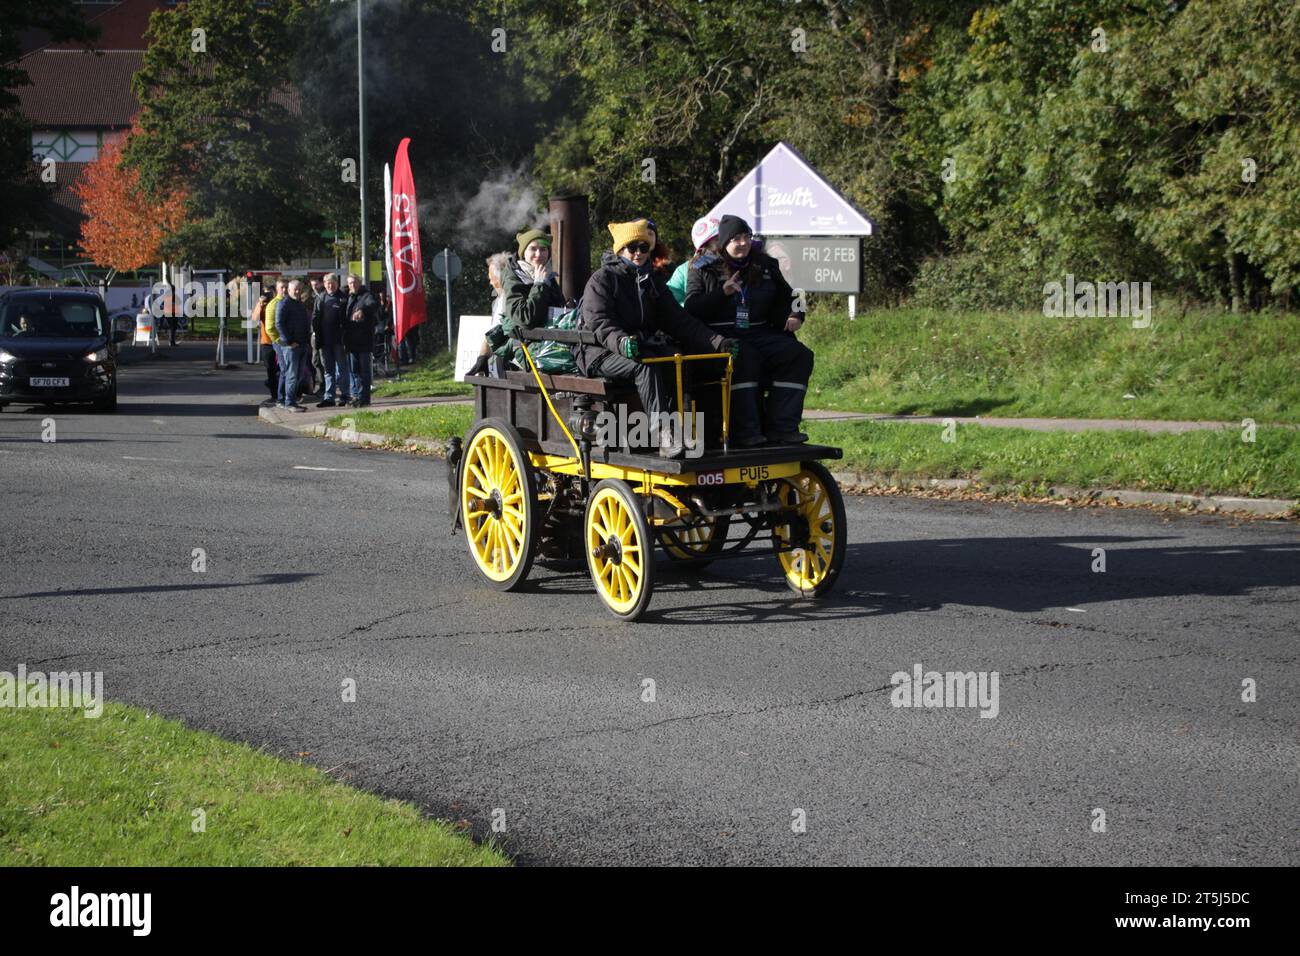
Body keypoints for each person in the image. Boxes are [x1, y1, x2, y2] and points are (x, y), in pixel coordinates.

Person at [578, 218, 740, 458]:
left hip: (639, 346)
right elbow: (601, 323)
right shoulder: (602, 280)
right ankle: (663, 435)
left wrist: (719, 342)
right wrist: (622, 342)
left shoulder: (651, 280)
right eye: (632, 248)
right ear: (620, 250)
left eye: (644, 248)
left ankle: (685, 431)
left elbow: (680, 321)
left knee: (676, 359)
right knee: (646, 366)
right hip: (598, 352)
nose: (638, 253)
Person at [684, 214, 812, 445]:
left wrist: (796, 314)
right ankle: (746, 432)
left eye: (746, 237)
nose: (743, 243)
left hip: (760, 333)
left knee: (799, 355)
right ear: (724, 243)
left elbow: (795, 295)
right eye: (736, 239)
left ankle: (783, 428)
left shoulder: (765, 264)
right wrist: (722, 293)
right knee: (745, 357)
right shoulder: (703, 268)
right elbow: (692, 308)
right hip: (722, 337)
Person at [312, 273, 350, 407]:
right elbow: (315, 318)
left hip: (340, 341)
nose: (330, 285)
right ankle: (329, 397)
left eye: (332, 282)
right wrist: (317, 337)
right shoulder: (321, 298)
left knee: (343, 369)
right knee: (328, 370)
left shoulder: (344, 298)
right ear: (324, 284)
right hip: (325, 341)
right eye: (327, 283)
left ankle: (345, 396)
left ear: (337, 283)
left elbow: (348, 320)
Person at [275, 279, 311, 412]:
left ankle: (292, 401)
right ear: (289, 290)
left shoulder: (300, 304)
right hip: (291, 346)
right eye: (295, 289)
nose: (297, 291)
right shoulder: (283, 304)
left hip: (302, 344)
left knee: (299, 375)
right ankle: (289, 403)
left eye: (299, 289)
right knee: (292, 375)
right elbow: (279, 323)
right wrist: (289, 341)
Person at [667, 215, 719, 306]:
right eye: (717, 239)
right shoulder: (683, 271)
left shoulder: (734, 263)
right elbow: (670, 302)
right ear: (704, 244)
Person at [343, 273, 378, 406]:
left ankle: (365, 399)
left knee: (364, 371)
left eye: (355, 282)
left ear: (360, 282)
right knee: (354, 371)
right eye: (350, 283)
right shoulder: (348, 296)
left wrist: (362, 310)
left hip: (363, 341)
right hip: (351, 341)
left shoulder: (366, 295)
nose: (353, 285)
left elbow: (373, 304)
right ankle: (357, 396)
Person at [252, 290, 277, 406]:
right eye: (265, 293)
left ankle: (285, 393)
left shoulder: (279, 303)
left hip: (280, 342)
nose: (267, 295)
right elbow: (254, 318)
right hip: (267, 342)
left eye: (270, 293)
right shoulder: (263, 305)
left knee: (283, 370)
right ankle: (274, 395)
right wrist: (260, 304)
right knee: (270, 370)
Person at [265, 279, 288, 406]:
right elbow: (270, 328)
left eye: (286, 287)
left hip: (292, 342)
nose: (284, 290)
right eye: (281, 288)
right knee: (285, 370)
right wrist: (279, 341)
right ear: (277, 289)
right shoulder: (273, 304)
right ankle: (281, 398)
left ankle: (289, 397)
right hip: (281, 343)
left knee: (291, 371)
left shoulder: (291, 302)